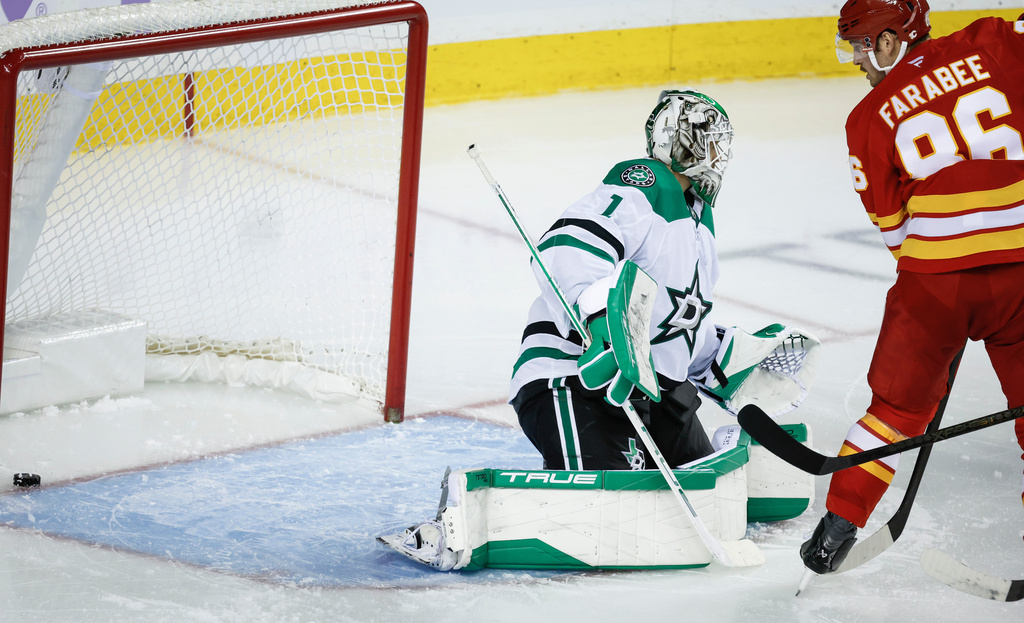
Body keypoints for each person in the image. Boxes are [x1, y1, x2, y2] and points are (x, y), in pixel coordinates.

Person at [801, 1, 1024, 574]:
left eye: (859, 44)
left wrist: (946, 293)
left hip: (934, 282)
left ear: (892, 39)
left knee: (895, 409)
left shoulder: (867, 118)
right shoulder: (995, 42)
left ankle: (839, 526)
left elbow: (895, 229)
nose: (855, 59)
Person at [508, 88, 734, 472]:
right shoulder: (645, 184)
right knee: (616, 506)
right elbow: (568, 245)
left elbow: (674, 320)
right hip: (572, 380)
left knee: (705, 483)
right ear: (686, 143)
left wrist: (727, 357)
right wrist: (601, 322)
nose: (720, 156)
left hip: (645, 391)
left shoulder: (699, 219)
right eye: (713, 143)